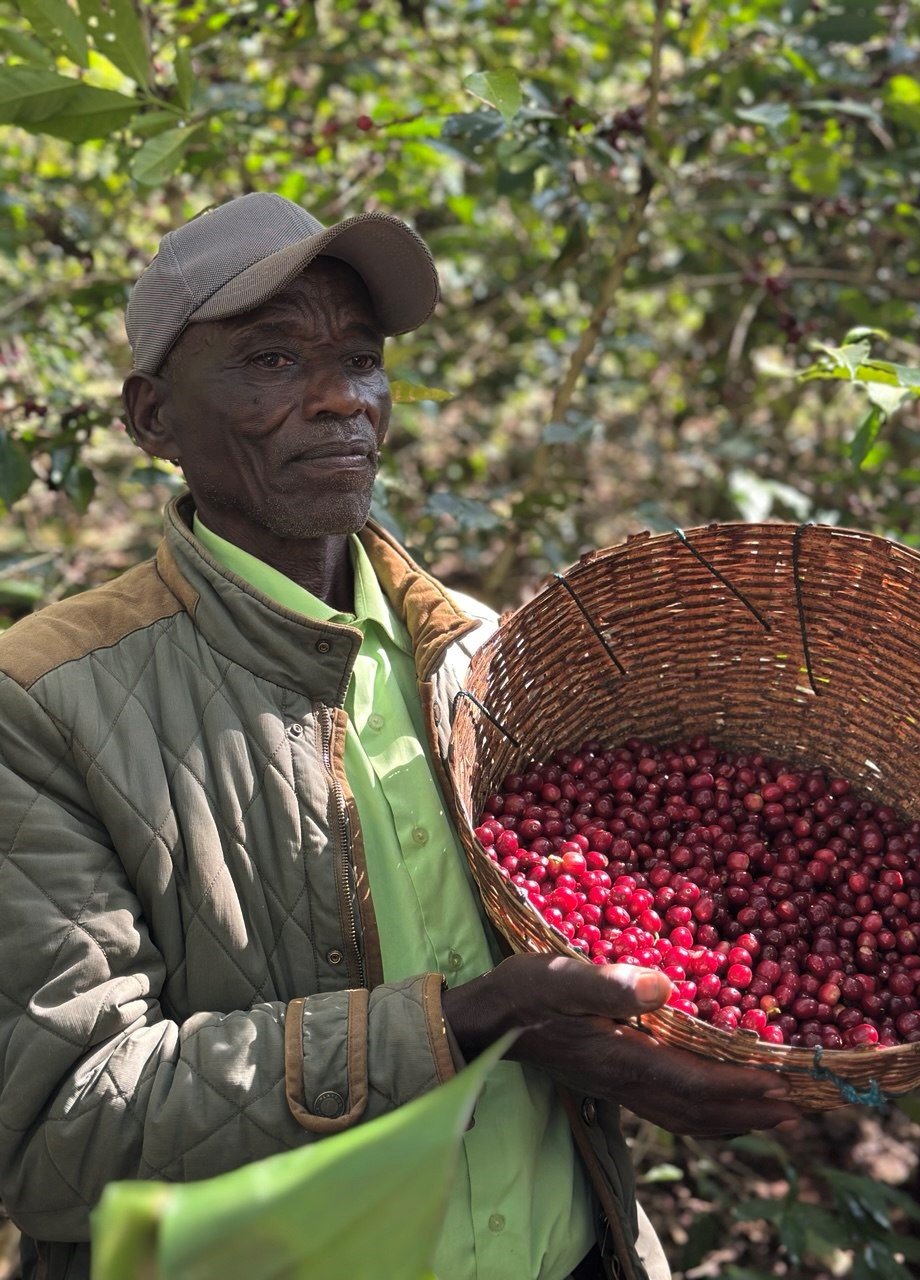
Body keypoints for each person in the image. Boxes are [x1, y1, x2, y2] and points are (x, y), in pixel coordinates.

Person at [0, 193, 800, 1280]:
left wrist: (648, 1039)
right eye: (272, 359)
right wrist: (467, 1022)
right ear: (153, 418)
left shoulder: (479, 656)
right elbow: (62, 1132)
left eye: (361, 359)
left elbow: (598, 956)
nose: (342, 398)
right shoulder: (48, 700)